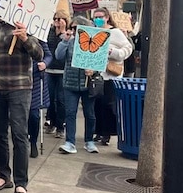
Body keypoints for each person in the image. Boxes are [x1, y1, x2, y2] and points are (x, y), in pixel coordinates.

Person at [0, 15, 43, 193]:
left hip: (19, 88)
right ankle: (3, 175)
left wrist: (25, 37)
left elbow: (39, 54)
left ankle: (21, 183)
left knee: (19, 135)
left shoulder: (26, 25)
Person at [56, 16, 98, 154]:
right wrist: (64, 40)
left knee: (90, 114)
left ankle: (89, 140)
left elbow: (99, 60)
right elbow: (59, 56)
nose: (73, 31)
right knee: (70, 113)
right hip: (71, 83)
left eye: (75, 28)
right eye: (71, 28)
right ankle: (70, 142)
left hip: (87, 83)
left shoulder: (93, 42)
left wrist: (93, 70)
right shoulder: (69, 42)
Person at [91, 8, 134, 146]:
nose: (97, 19)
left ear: (107, 17)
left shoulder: (115, 33)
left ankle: (107, 133)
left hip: (111, 76)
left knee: (108, 105)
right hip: (97, 75)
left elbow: (127, 48)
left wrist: (113, 52)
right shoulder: (93, 32)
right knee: (97, 105)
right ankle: (99, 131)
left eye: (100, 17)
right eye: (95, 17)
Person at [46, 11, 70, 139]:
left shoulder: (67, 35)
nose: (58, 21)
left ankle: (60, 127)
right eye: (56, 18)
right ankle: (52, 123)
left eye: (61, 19)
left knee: (61, 100)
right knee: (50, 98)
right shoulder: (49, 32)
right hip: (49, 70)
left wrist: (63, 34)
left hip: (62, 70)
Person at [28, 40, 53, 158]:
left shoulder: (39, 39)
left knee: (34, 115)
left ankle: (33, 141)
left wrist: (44, 63)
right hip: (19, 77)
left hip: (36, 80)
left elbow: (48, 55)